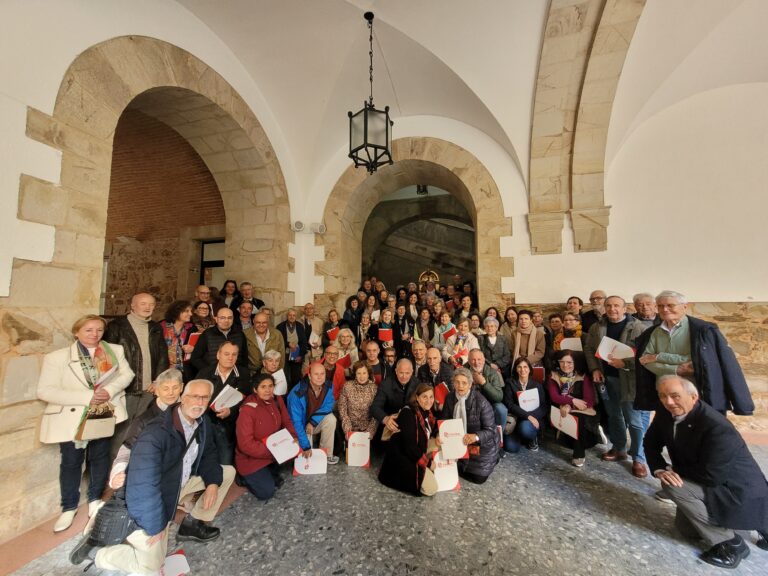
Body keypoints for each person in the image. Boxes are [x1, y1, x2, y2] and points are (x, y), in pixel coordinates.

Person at [70, 379, 235, 573]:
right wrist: (155, 525)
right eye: (194, 396)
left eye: (204, 398)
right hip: (159, 491)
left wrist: (213, 483)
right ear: (183, 397)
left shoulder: (202, 421)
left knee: (227, 473)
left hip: (180, 482)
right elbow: (144, 485)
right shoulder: (156, 432)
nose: (199, 402)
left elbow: (209, 453)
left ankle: (192, 524)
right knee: (152, 569)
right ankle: (99, 554)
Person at [644, 375, 768, 569]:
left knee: (673, 486)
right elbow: (650, 443)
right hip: (708, 479)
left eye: (675, 396)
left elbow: (712, 475)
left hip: (736, 490)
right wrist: (660, 468)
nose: (668, 401)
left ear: (693, 397)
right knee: (687, 531)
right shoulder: (665, 411)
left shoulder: (716, 425)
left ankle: (731, 544)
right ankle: (748, 525)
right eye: (663, 396)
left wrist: (671, 471)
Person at [37, 315, 135, 533]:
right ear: (77, 332)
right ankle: (69, 506)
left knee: (100, 457)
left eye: (99, 330)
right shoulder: (58, 357)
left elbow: (127, 374)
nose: (95, 334)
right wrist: (87, 397)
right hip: (74, 415)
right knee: (71, 461)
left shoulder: (113, 351)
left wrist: (109, 391)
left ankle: (94, 499)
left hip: (102, 413)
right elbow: (45, 391)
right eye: (89, 330)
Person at [635, 290, 754, 415]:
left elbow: (712, 362)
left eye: (670, 305)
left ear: (685, 307)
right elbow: (645, 361)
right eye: (660, 306)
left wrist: (659, 356)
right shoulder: (652, 333)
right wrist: (676, 370)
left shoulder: (704, 331)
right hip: (667, 398)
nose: (665, 309)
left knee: (704, 432)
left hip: (700, 395)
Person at [584, 296, 649, 477]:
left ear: (624, 308)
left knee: (635, 421)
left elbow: (646, 356)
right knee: (614, 415)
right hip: (606, 379)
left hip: (629, 381)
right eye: (609, 306)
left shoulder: (639, 328)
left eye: (616, 306)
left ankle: (639, 458)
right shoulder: (597, 327)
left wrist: (626, 363)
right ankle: (619, 448)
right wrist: (595, 369)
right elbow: (589, 349)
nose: (612, 309)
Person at [108, 369, 184, 491]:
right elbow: (127, 447)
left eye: (175, 387)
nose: (171, 393)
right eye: (165, 389)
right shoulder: (144, 420)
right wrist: (118, 472)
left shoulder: (188, 411)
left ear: (181, 387)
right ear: (157, 391)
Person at [104, 293, 169, 421]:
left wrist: (158, 380)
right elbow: (108, 358)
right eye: (143, 304)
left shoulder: (155, 327)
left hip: (149, 388)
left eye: (151, 304)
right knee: (121, 426)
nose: (147, 307)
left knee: (141, 426)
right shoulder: (116, 326)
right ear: (133, 305)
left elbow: (162, 356)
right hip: (126, 388)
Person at [235, 373, 298, 501]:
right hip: (251, 458)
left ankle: (269, 470)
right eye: (263, 387)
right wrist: (273, 452)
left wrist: (293, 437)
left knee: (295, 452)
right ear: (255, 389)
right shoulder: (247, 410)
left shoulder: (277, 399)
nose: (268, 390)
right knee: (266, 493)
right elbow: (246, 445)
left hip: (272, 450)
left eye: (270, 386)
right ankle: (243, 477)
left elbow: (287, 421)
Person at [378, 383, 440, 496]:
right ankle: (424, 470)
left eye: (431, 397)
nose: (428, 400)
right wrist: (428, 463)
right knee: (432, 489)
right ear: (417, 397)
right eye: (424, 397)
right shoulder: (408, 413)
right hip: (403, 457)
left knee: (439, 443)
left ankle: (429, 469)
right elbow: (410, 447)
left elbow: (434, 426)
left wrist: (437, 434)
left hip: (415, 449)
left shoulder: (427, 411)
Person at [195, 341, 250, 465]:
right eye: (226, 354)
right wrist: (209, 406)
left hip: (230, 425)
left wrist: (231, 410)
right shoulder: (205, 373)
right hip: (206, 422)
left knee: (225, 462)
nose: (230, 358)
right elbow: (195, 396)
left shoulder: (244, 374)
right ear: (218, 355)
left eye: (234, 354)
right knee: (204, 459)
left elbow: (247, 399)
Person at [440, 367, 499, 484]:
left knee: (479, 479)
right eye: (457, 382)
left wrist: (475, 436)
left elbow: (491, 430)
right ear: (453, 383)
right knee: (444, 468)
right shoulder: (449, 398)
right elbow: (444, 420)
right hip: (457, 440)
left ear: (470, 384)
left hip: (480, 445)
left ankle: (495, 458)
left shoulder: (481, 402)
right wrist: (440, 434)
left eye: (464, 383)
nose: (460, 386)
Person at [546, 350, 599, 467]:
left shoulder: (583, 376)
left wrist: (570, 406)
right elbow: (554, 396)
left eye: (570, 362)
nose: (565, 365)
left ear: (576, 363)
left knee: (579, 418)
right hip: (562, 406)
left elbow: (589, 401)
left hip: (582, 409)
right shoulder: (554, 375)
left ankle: (579, 454)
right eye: (562, 362)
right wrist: (572, 401)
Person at [286, 362, 339, 464]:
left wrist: (313, 421)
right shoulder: (297, 393)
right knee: (301, 456)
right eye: (316, 374)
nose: (320, 377)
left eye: (322, 374)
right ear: (309, 376)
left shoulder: (328, 385)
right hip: (299, 427)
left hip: (313, 423)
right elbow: (296, 422)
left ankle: (326, 455)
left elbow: (329, 404)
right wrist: (305, 446)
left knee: (331, 419)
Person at [502, 358, 546, 453]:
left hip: (530, 421)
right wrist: (527, 416)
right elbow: (509, 404)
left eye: (525, 367)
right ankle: (521, 437)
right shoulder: (510, 383)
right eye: (519, 367)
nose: (523, 370)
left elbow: (543, 407)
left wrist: (532, 417)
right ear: (516, 369)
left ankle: (531, 439)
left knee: (525, 428)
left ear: (530, 369)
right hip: (516, 419)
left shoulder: (537, 385)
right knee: (511, 448)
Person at [189, 307, 248, 376]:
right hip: (213, 377)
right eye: (222, 318)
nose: (226, 321)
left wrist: (241, 373)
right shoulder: (207, 334)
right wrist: (209, 371)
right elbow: (195, 358)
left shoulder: (240, 334)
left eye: (229, 318)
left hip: (235, 376)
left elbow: (244, 358)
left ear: (233, 319)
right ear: (216, 319)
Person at [371, 359, 420, 436]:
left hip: (410, 425)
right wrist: (386, 419)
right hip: (390, 425)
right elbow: (375, 407)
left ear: (412, 372)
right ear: (396, 371)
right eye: (401, 373)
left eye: (407, 373)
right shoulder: (385, 384)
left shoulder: (417, 383)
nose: (404, 376)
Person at [337, 361, 378, 440]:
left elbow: (377, 411)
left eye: (364, 373)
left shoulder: (374, 388)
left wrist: (370, 431)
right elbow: (342, 408)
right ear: (355, 374)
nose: (361, 376)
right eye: (359, 373)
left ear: (368, 374)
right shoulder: (347, 386)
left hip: (367, 430)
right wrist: (347, 429)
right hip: (349, 427)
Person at [468, 349, 506, 428]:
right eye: (473, 360)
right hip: (470, 403)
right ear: (468, 361)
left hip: (489, 402)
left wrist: (484, 383)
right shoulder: (463, 371)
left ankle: (499, 436)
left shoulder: (493, 372)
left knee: (501, 409)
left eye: (479, 359)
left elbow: (499, 397)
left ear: (484, 360)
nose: (477, 363)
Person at [159, 300, 195, 374]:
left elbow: (200, 350)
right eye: (187, 311)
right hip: (163, 370)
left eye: (191, 311)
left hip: (185, 371)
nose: (191, 314)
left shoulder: (192, 328)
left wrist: (193, 349)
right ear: (177, 311)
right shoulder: (161, 327)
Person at [276, 307, 309, 390]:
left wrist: (301, 355)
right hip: (285, 355)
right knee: (285, 376)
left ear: (296, 316)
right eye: (290, 315)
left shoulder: (300, 326)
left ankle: (295, 393)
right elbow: (278, 342)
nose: (292, 317)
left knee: (296, 377)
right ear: (287, 316)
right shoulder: (280, 326)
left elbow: (304, 342)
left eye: (294, 315)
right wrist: (288, 344)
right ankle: (285, 395)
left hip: (297, 355)